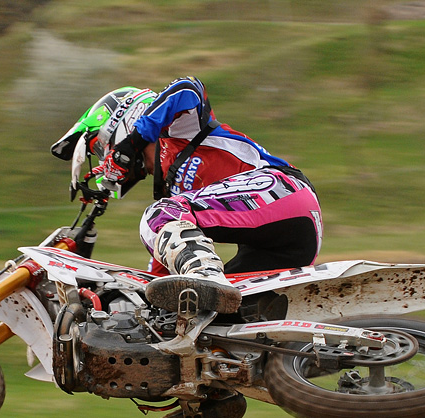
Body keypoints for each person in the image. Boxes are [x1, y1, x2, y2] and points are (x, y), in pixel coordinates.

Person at [51, 76, 323, 316]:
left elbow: (187, 88)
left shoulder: (179, 130)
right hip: (281, 249)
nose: (105, 161)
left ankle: (206, 277)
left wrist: (133, 142)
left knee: (158, 215)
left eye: (102, 149)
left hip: (284, 189)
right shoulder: (176, 204)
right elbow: (158, 277)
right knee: (200, 317)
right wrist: (112, 305)